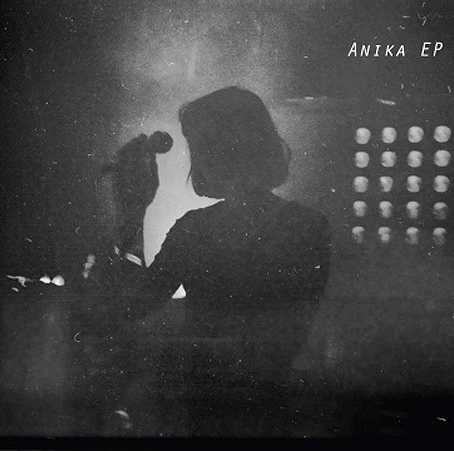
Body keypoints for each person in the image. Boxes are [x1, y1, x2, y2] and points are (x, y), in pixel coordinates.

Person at [83, 86, 333, 436]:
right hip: (216, 416)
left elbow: (276, 345)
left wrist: (164, 354)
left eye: (203, 144)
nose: (198, 158)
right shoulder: (199, 228)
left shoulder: (301, 228)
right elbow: (127, 307)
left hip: (256, 418)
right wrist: (134, 211)